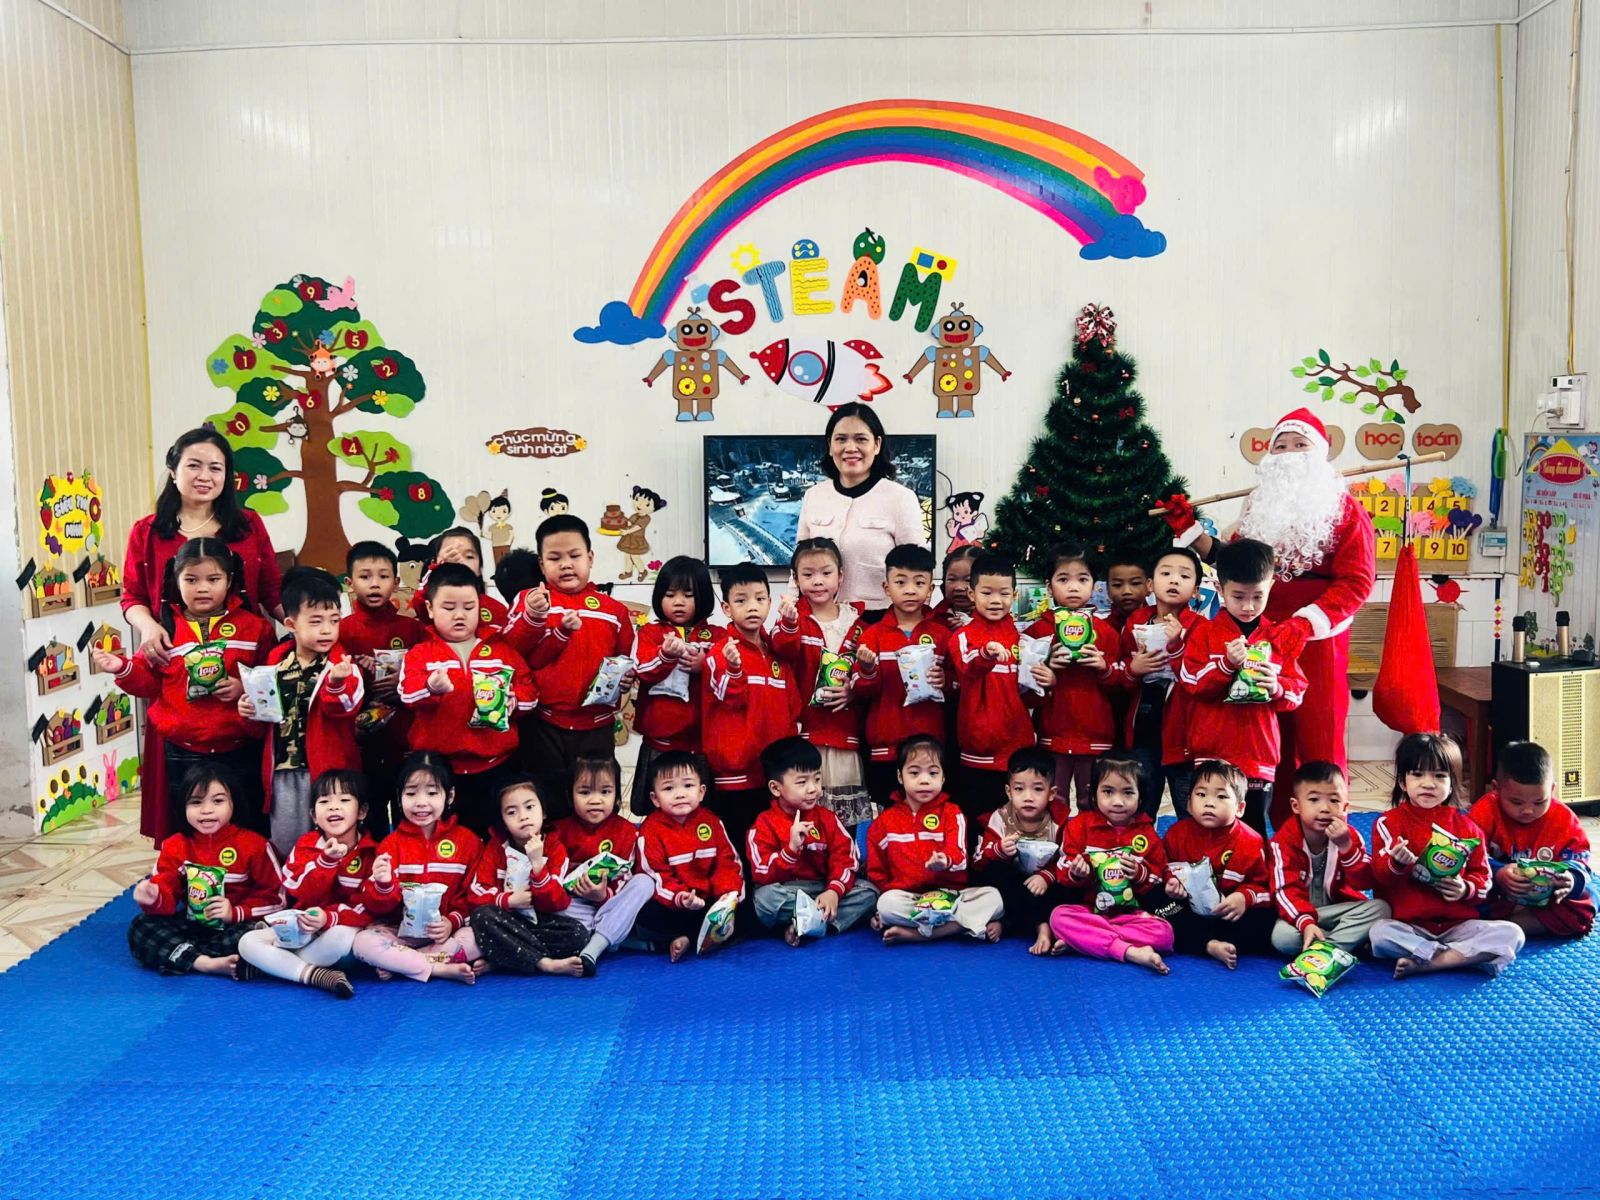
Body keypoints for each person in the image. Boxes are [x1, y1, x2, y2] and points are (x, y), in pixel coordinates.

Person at [1159, 408, 1376, 825]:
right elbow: (1237, 564)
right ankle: (1275, 831)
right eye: (1281, 445)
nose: (1290, 453)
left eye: (1300, 444)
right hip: (1260, 637)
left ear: (1320, 453)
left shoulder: (1347, 510)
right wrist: (1191, 532)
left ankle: (1325, 830)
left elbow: (1358, 581)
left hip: (1319, 641)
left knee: (1319, 737)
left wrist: (1304, 623)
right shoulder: (1259, 507)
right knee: (1269, 737)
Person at [122, 428, 285, 841]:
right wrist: (149, 627)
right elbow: (132, 596)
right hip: (177, 674)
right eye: (194, 465)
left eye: (216, 467)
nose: (205, 476)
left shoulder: (247, 525)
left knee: (245, 793)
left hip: (240, 674)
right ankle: (185, 865)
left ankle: (250, 867)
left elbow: (271, 592)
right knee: (185, 795)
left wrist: (308, 627)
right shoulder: (148, 531)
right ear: (173, 469)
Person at [93, 537, 273, 835]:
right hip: (183, 749)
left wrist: (243, 687)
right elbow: (149, 682)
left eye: (213, 579)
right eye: (191, 579)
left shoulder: (255, 628)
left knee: (245, 823)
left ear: (230, 581)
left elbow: (270, 677)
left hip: (240, 747)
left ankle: (248, 866)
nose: (202, 588)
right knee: (188, 826)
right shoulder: (164, 630)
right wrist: (122, 668)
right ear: (175, 581)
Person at [505, 513, 636, 818]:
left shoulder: (614, 610)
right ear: (541, 565)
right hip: (544, 724)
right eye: (555, 558)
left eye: (574, 556)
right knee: (547, 804)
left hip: (597, 726)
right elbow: (510, 652)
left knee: (597, 805)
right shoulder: (530, 600)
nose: (565, 564)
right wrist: (533, 616)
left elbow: (626, 658)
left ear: (590, 558)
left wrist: (627, 679)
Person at [1178, 539, 1307, 835]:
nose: (1248, 606)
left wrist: (1276, 687)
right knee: (1209, 828)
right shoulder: (1204, 633)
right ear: (1220, 589)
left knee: (1254, 831)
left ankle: (1256, 869)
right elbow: (1190, 681)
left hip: (1258, 754)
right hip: (1212, 752)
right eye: (1238, 596)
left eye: (1257, 596)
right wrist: (1225, 665)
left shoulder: (1277, 636)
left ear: (1271, 587)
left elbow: (1297, 691)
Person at [1369, 733, 1524, 978]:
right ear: (1402, 782)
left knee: (1513, 934)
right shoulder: (1388, 823)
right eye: (1417, 774)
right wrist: (1396, 864)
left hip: (1458, 926)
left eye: (1439, 776)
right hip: (1410, 927)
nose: (1428, 784)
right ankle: (1460, 958)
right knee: (1379, 933)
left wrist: (1465, 889)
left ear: (1452, 783)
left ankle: (1431, 962)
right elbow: (1379, 876)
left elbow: (1483, 879)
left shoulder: (1468, 829)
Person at [397, 562, 535, 835]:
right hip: (440, 773)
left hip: (497, 766)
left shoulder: (501, 651)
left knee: (497, 838)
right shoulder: (421, 654)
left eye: (469, 607)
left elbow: (529, 690)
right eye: (449, 608)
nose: (459, 615)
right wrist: (430, 687)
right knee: (446, 841)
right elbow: (407, 694)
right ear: (430, 609)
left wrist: (515, 700)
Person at [239, 567, 365, 859]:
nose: (327, 630)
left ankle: (337, 886)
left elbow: (346, 707)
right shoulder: (275, 663)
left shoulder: (342, 664)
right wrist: (248, 712)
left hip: (331, 772)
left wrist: (336, 683)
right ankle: (291, 884)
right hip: (284, 771)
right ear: (291, 624)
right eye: (316, 621)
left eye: (334, 620)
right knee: (287, 842)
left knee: (337, 839)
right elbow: (262, 724)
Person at [127, 766, 283, 979]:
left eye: (218, 801)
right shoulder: (174, 845)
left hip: (235, 927)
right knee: (140, 927)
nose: (207, 810)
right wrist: (153, 896)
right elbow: (166, 888)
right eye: (196, 802)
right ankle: (205, 963)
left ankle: (183, 953)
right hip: (191, 924)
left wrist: (235, 912)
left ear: (234, 803)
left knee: (258, 935)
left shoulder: (255, 845)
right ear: (183, 806)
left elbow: (277, 897)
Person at [235, 770, 378, 998]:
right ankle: (316, 975)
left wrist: (328, 918)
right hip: (302, 929)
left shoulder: (372, 852)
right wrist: (325, 861)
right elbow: (298, 890)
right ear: (313, 815)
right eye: (324, 801)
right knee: (247, 942)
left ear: (362, 811)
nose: (333, 807)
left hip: (337, 933)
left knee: (343, 938)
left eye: (344, 799)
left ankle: (275, 966)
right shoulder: (306, 845)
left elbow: (368, 909)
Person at [353, 752, 482, 984]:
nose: (421, 802)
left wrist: (452, 921)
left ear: (450, 796)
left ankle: (404, 964)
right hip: (401, 935)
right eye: (411, 793)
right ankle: (437, 968)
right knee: (362, 943)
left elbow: (472, 896)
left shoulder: (468, 842)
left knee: (479, 937)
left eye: (432, 793)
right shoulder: (390, 845)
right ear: (399, 796)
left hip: (447, 935)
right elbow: (375, 906)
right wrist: (383, 885)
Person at [865, 735, 1003, 946]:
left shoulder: (953, 813)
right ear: (900, 776)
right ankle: (963, 926)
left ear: (943, 777)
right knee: (886, 905)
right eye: (914, 773)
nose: (924, 780)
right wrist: (882, 904)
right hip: (911, 899)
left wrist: (945, 861)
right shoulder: (883, 823)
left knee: (995, 898)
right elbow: (877, 872)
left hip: (952, 897)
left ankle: (918, 934)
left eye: (933, 773)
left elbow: (960, 857)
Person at [701, 563, 801, 848]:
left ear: (770, 602)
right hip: (736, 778)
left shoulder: (777, 656)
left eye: (759, 598)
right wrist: (734, 669)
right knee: (739, 852)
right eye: (741, 600)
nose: (752, 607)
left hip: (775, 777)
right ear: (726, 608)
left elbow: (793, 709)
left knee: (774, 849)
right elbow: (730, 698)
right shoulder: (721, 652)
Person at [772, 538, 871, 826]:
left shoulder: (859, 624)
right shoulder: (793, 618)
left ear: (840, 576)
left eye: (826, 573)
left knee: (844, 823)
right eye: (808, 574)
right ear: (796, 578)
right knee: (805, 815)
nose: (818, 581)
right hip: (806, 735)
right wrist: (789, 621)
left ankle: (845, 856)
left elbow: (869, 677)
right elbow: (781, 649)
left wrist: (853, 690)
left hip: (845, 735)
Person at [1047, 756, 1173, 974]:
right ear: (1092, 792)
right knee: (1058, 917)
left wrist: (1140, 874)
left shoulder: (1147, 833)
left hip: (1130, 915)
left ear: (1141, 796)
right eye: (1108, 791)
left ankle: (1086, 941)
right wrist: (1078, 873)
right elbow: (1062, 870)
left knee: (1165, 933)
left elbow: (1159, 875)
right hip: (1089, 911)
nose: (1118, 802)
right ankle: (1129, 951)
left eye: (1128, 793)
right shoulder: (1079, 826)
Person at [796, 403, 925, 616]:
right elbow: (799, 561)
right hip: (820, 618)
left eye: (861, 439)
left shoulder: (901, 498)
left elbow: (916, 568)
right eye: (841, 439)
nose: (850, 448)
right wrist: (791, 608)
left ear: (877, 445)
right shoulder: (814, 495)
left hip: (879, 618)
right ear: (830, 445)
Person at [948, 554, 1050, 825]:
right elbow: (967, 667)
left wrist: (1046, 682)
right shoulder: (963, 637)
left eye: (1004, 594)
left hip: (1017, 750)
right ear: (972, 594)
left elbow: (1029, 695)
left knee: (1016, 825)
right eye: (987, 593)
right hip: (977, 752)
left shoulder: (1022, 640)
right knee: (977, 823)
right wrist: (987, 653)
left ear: (1014, 595)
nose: (996, 600)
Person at [746, 736, 878, 944]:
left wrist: (834, 891)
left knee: (870, 892)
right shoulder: (764, 824)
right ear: (775, 788)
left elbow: (846, 858)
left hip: (822, 889)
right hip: (788, 891)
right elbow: (760, 873)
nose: (813, 789)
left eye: (817, 779)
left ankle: (806, 924)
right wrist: (790, 851)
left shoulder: (827, 818)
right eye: (802, 782)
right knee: (765, 899)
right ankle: (815, 922)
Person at [852, 544, 953, 810]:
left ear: (930, 589)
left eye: (919, 583)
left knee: (931, 816)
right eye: (900, 582)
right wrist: (868, 670)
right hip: (885, 748)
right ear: (886, 588)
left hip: (930, 747)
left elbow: (959, 687)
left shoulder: (943, 635)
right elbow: (860, 691)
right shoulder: (872, 635)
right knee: (886, 816)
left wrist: (946, 682)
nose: (910, 590)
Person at [1024, 544, 1121, 813]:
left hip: (1096, 734)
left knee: (1093, 802)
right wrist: (1047, 673)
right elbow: (1024, 691)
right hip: (1053, 733)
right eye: (1063, 579)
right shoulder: (1037, 632)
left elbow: (1123, 685)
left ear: (1094, 585)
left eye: (1082, 579)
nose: (1074, 587)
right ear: (1049, 586)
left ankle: (1090, 841)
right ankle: (1057, 841)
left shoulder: (1106, 632)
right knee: (1054, 801)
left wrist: (1103, 667)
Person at [465, 775, 592, 978]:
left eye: (530, 807)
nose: (523, 817)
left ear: (543, 812)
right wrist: (508, 900)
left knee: (578, 935)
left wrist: (538, 866)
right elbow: (476, 893)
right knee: (482, 917)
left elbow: (557, 902)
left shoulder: (555, 848)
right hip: (504, 919)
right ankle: (545, 963)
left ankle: (503, 957)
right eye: (512, 812)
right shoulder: (495, 847)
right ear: (503, 821)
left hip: (539, 920)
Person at [1469, 741, 1595, 939]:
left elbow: (1580, 858)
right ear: (1496, 789)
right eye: (1516, 802)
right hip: (1497, 893)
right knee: (1456, 893)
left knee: (1588, 896)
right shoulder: (1485, 811)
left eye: (1539, 802)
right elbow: (1469, 852)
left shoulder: (1564, 818)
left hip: (1546, 896)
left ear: (1552, 790)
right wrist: (1498, 872)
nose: (1528, 810)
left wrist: (1570, 878)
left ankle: (1508, 927)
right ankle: (1500, 927)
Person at [340, 540, 424, 834]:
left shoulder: (412, 628)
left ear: (396, 582)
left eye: (383, 576)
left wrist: (403, 679)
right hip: (361, 741)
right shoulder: (342, 630)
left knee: (410, 815)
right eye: (365, 576)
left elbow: (428, 673)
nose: (374, 584)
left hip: (405, 740)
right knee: (369, 816)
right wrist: (361, 676)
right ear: (350, 583)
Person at [1160, 760, 1277, 969]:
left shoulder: (1251, 841)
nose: (1209, 803)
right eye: (1201, 794)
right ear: (1189, 804)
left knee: (1267, 922)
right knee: (1161, 910)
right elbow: (1165, 867)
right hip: (1189, 910)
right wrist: (1171, 884)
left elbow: (1266, 888)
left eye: (1221, 796)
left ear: (1240, 808)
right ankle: (1209, 945)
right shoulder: (1175, 835)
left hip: (1230, 914)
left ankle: (1206, 941)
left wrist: (1244, 897)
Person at [1267, 761, 1390, 956]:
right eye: (1314, 800)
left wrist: (1346, 847)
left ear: (1345, 807)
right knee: (1282, 937)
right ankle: (1343, 944)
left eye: (1334, 800)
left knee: (1381, 908)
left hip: (1336, 911)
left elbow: (1364, 883)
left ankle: (1323, 949)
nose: (1325, 808)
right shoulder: (1282, 843)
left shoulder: (1349, 836)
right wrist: (1306, 923)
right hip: (1300, 914)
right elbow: (1284, 891)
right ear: (1296, 806)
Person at [546, 755, 655, 975]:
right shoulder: (557, 830)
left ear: (616, 796)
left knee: (645, 882)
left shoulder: (627, 831)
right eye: (585, 792)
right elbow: (552, 879)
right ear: (570, 796)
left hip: (610, 902)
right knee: (544, 906)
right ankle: (614, 938)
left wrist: (603, 895)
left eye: (605, 792)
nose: (595, 800)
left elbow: (625, 877)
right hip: (573, 905)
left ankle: (593, 949)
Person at [634, 751, 745, 963]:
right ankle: (694, 937)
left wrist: (725, 896)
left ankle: (689, 937)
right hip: (674, 903)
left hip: (708, 900)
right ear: (655, 799)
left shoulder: (712, 821)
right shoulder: (650, 830)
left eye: (688, 785)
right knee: (647, 914)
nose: (680, 794)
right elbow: (655, 875)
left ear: (701, 792)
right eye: (669, 788)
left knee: (746, 910)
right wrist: (681, 898)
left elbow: (728, 862)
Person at [1116, 548, 1203, 817]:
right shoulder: (1136, 622)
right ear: (1151, 584)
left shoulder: (1200, 627)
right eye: (1166, 573)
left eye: (1184, 576)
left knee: (1189, 809)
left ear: (1196, 590)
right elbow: (1121, 675)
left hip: (1184, 734)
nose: (1174, 580)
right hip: (1143, 728)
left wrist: (1178, 645)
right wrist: (1133, 670)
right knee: (1141, 808)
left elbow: (1201, 678)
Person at [630, 555, 717, 816]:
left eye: (688, 595)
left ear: (703, 597)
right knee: (655, 812)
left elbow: (730, 679)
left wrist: (705, 665)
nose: (678, 602)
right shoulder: (650, 633)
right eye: (670, 595)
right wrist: (665, 656)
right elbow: (642, 670)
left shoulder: (717, 636)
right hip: (659, 743)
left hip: (700, 746)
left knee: (702, 813)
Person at [973, 747, 1074, 955]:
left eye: (1037, 789)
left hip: (1045, 886)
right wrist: (999, 850)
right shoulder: (999, 819)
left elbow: (1068, 859)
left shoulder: (1061, 821)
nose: (1028, 797)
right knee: (994, 873)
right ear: (1009, 791)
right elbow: (978, 863)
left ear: (1052, 793)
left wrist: (1047, 877)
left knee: (1070, 886)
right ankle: (1041, 925)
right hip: (1014, 885)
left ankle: (1008, 923)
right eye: (1019, 789)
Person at [409, 526, 509, 632]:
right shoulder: (427, 602)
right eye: (451, 555)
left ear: (480, 568)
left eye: (469, 556)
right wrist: (436, 570)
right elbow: (419, 603)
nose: (459, 561)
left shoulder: (497, 609)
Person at [933, 544, 980, 629]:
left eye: (968, 580)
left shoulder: (997, 618)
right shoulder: (933, 619)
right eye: (952, 579)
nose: (959, 587)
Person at [1104, 555, 1151, 633]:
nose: (1127, 591)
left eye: (1135, 583)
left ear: (1149, 586)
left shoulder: (1161, 625)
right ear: (1108, 590)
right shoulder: (1100, 630)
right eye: (1117, 585)